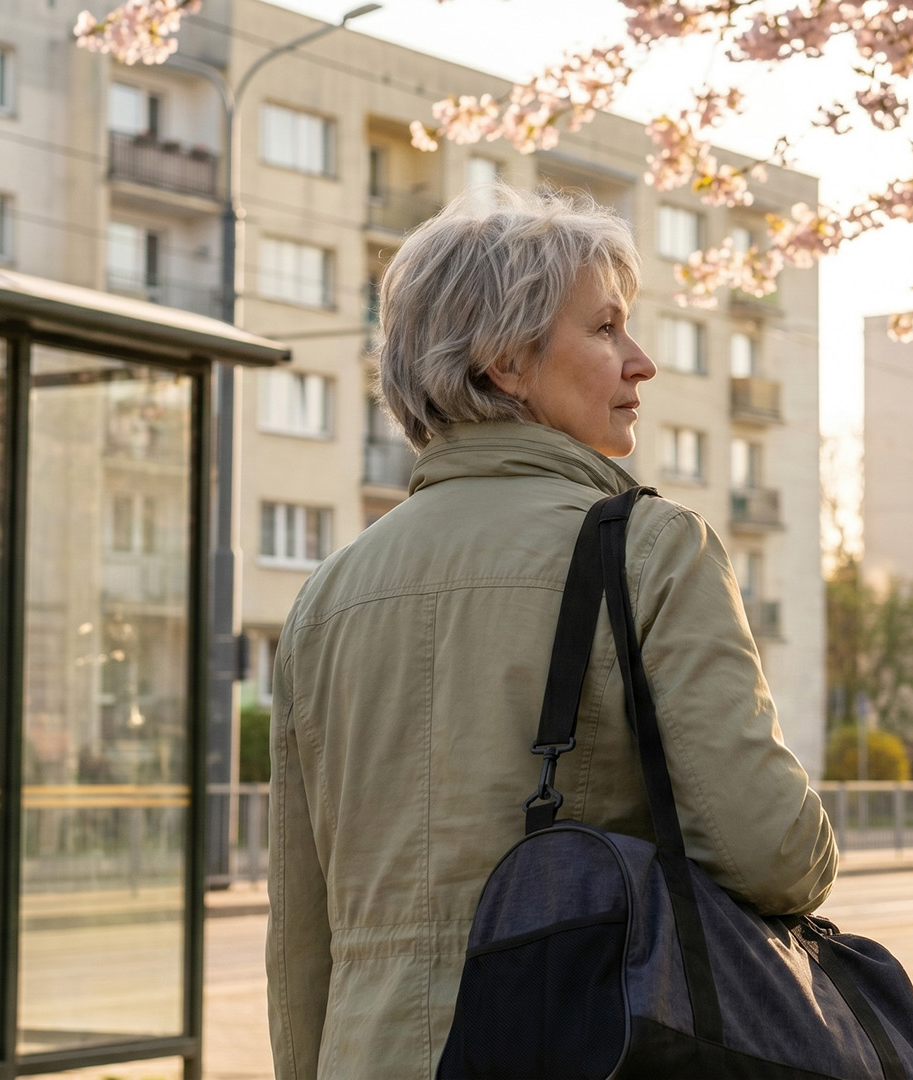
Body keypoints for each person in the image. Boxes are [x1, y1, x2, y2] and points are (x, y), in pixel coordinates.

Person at [264, 186, 837, 1078]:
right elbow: (770, 857)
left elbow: (301, 936)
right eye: (606, 329)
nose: (640, 363)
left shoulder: (326, 595)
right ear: (505, 363)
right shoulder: (651, 548)